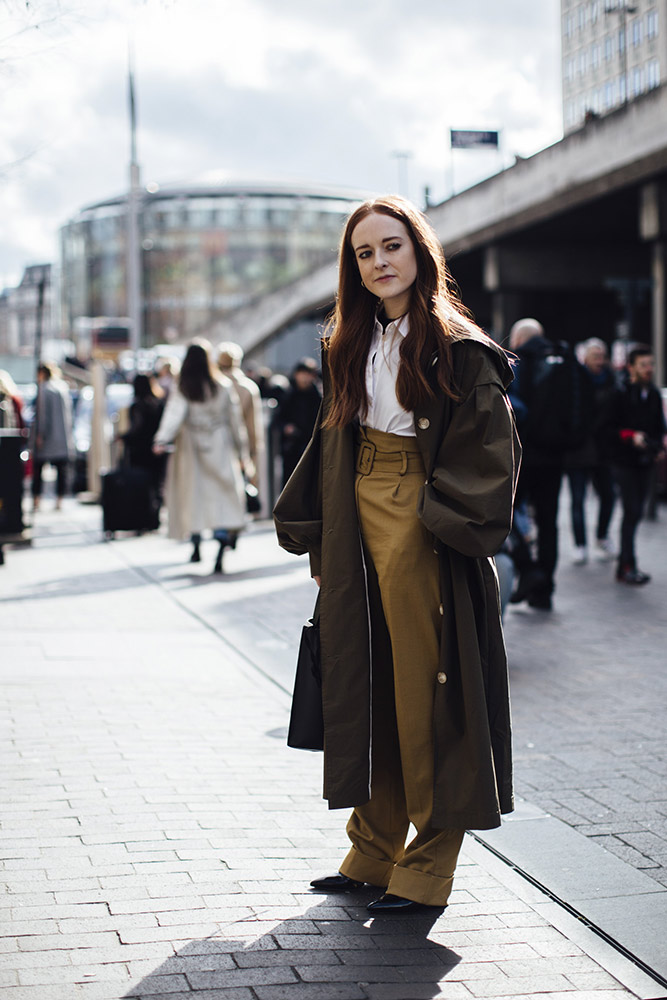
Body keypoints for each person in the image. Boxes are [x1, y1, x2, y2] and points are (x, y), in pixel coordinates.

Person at [274, 196, 520, 915]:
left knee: (427, 689)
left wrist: (431, 517)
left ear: (419, 252)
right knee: (365, 681)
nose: (379, 262)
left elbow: (489, 453)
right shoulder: (348, 341)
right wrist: (322, 532)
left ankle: (425, 869)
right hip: (356, 513)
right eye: (364, 253)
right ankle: (373, 851)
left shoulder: (459, 348)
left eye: (391, 246)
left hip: (423, 514)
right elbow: (331, 443)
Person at [507, 318, 588, 610]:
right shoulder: (566, 360)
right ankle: (545, 591)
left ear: (518, 339)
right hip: (555, 456)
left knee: (506, 514)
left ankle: (528, 570)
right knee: (548, 521)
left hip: (523, 454)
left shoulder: (517, 360)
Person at [153, 340, 249, 574]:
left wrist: (161, 440)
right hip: (221, 445)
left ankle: (196, 544)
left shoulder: (184, 387)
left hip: (191, 447)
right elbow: (235, 422)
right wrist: (243, 453)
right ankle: (220, 543)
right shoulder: (223, 385)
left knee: (194, 497)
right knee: (222, 497)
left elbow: (174, 415)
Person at [603, 344, 666, 585]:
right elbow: (606, 428)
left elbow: (659, 427)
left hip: (644, 462)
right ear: (631, 367)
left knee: (636, 512)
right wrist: (630, 436)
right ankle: (627, 565)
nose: (649, 369)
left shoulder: (652, 394)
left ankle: (626, 565)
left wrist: (657, 447)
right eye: (644, 365)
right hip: (624, 462)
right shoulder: (619, 393)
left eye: (651, 364)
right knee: (632, 511)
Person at [564, 338, 617, 564]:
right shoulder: (574, 381)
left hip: (603, 450)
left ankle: (602, 537)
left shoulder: (612, 382)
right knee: (578, 500)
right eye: (595, 356)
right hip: (578, 450)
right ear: (584, 358)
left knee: (609, 496)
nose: (599, 360)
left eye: (602, 356)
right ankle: (580, 544)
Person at [217, 342, 264, 492]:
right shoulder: (248, 387)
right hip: (241, 444)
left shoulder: (213, 385)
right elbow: (253, 426)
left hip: (216, 443)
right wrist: (253, 452)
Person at [30, 362, 74, 511]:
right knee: (61, 470)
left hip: (47, 437)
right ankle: (59, 501)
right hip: (62, 437)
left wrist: (40, 435)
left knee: (38, 469)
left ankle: (37, 500)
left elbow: (42, 416)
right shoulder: (62, 388)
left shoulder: (43, 389)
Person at [273, 358, 322, 486]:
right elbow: (278, 419)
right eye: (302, 374)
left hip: (313, 447)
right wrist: (286, 428)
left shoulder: (319, 396)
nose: (305, 378)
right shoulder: (289, 394)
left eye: (309, 374)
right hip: (292, 448)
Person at [120, 373, 167, 504]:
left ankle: (143, 512)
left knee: (140, 483)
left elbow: (136, 428)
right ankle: (155, 511)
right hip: (156, 449)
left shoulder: (137, 406)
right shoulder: (159, 404)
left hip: (140, 451)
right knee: (157, 483)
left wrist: (124, 437)